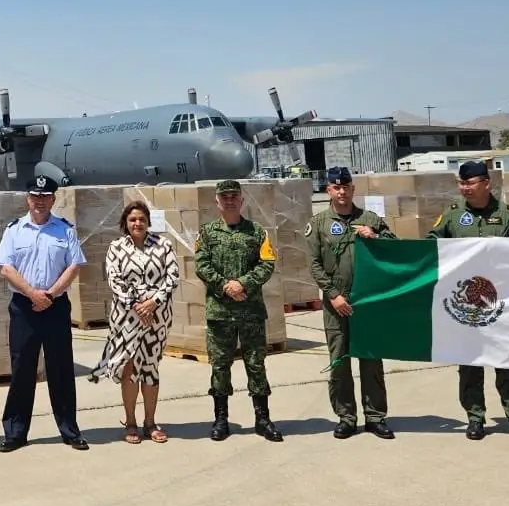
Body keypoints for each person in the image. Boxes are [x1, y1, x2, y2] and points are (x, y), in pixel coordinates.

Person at [427, 161, 509, 443]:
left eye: (470, 183)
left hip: (501, 305)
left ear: (486, 183)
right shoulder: (452, 216)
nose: (464, 188)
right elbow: (430, 248)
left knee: (507, 364)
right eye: (461, 183)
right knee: (470, 364)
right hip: (465, 307)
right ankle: (475, 418)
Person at [0, 174, 90, 452]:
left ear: (53, 199)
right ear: (27, 199)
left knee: (60, 369)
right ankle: (15, 432)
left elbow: (74, 266)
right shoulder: (14, 230)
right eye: (35, 197)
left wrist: (49, 295)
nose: (40, 202)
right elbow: (6, 268)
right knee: (22, 370)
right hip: (24, 308)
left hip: (56, 307)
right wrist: (33, 294)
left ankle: (70, 430)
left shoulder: (64, 230)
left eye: (45, 197)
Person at [305, 166, 396, 440]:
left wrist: (376, 236)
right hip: (337, 302)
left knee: (371, 360)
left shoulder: (369, 218)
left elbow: (396, 247)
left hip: (367, 300)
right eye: (336, 187)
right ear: (328, 190)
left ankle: (375, 416)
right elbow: (314, 263)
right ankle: (346, 417)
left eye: (346, 186)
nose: (341, 191)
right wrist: (333, 294)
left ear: (353, 189)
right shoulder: (318, 223)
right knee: (339, 361)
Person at [194, 179, 283, 442]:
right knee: (220, 366)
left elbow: (267, 263)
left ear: (242, 200)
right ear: (217, 201)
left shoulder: (257, 232)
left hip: (251, 311)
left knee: (256, 365)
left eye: (234, 196)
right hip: (220, 312)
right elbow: (201, 265)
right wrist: (225, 286)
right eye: (225, 197)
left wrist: (243, 283)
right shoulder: (207, 233)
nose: (230, 200)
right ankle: (221, 419)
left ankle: (262, 419)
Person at [88, 199, 181, 444]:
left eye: (141, 219)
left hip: (157, 316)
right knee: (129, 368)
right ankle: (130, 422)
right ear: (125, 223)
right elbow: (113, 279)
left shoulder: (164, 245)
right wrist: (138, 305)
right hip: (127, 317)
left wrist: (153, 302)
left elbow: (172, 277)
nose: (137, 223)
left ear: (148, 221)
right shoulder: (116, 247)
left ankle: (150, 422)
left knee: (150, 367)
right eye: (132, 219)